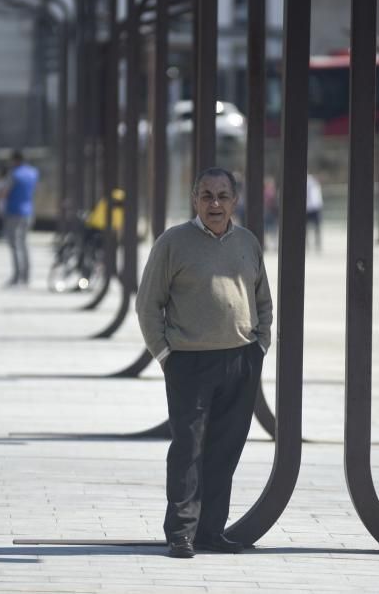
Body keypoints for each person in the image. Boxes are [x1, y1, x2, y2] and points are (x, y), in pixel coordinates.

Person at [136, 167, 273, 559]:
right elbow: (148, 305)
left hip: (240, 361)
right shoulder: (173, 243)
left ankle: (211, 532)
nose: (215, 203)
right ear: (194, 199)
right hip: (189, 363)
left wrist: (259, 347)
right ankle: (181, 533)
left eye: (223, 196)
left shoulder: (247, 242)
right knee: (188, 450)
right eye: (207, 195)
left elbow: (263, 299)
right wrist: (164, 354)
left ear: (235, 200)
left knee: (225, 450)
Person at [3, 151, 39, 287]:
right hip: (28, 210)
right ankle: (26, 275)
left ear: (15, 160)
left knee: (15, 245)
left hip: (14, 211)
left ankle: (17, 276)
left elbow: (4, 193)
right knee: (24, 244)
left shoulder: (14, 174)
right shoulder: (33, 173)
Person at [306, 173, 323, 252]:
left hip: (312, 208)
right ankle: (313, 244)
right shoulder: (314, 183)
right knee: (315, 228)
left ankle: (315, 244)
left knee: (315, 228)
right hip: (312, 208)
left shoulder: (314, 184)